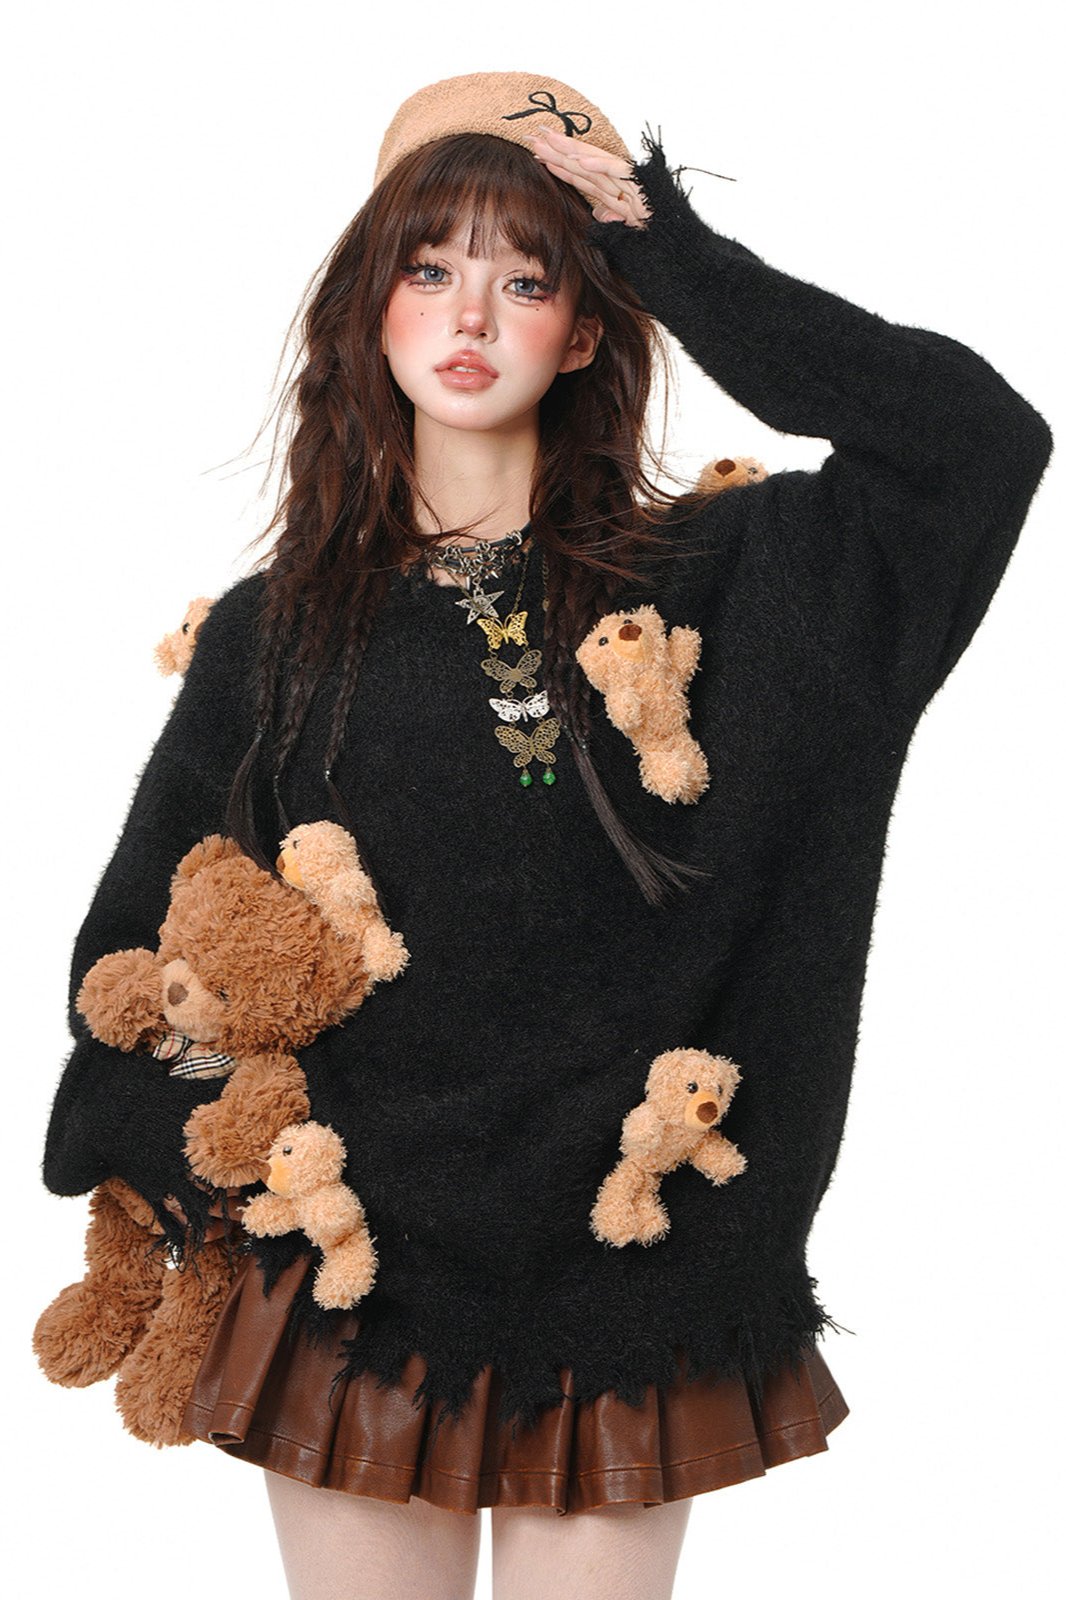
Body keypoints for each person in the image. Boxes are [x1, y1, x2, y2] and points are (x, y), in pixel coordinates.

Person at [38, 69, 1052, 1600]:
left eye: (526, 278)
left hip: (628, 1274)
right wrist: (200, 1172)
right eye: (426, 268)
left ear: (584, 328)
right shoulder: (276, 633)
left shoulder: (744, 580)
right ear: (369, 310)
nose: (470, 313)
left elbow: (973, 443)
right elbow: (140, 947)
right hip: (352, 1272)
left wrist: (663, 245)